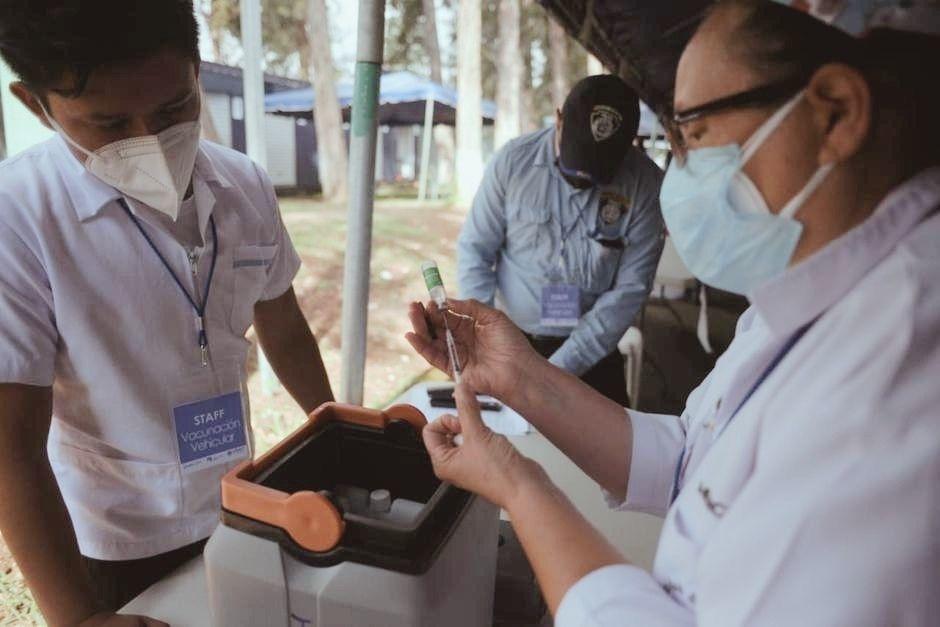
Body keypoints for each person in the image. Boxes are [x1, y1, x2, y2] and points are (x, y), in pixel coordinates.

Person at [407, 0, 940, 624]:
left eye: (691, 133)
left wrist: (521, 488)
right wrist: (516, 374)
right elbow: (691, 453)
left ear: (835, 113)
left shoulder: (899, 367)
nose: (678, 167)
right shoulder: (802, 298)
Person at [0, 2, 334, 624]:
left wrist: (333, 422)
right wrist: (77, 618)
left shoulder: (245, 186)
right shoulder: (18, 219)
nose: (150, 141)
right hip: (116, 536)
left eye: (175, 108)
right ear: (34, 105)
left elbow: (282, 324)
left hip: (241, 500)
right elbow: (10, 443)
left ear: (197, 69)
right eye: (109, 123)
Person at [457, 75, 664, 406]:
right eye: (577, 158)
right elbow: (475, 251)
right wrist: (484, 338)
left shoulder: (646, 186)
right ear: (558, 119)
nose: (582, 178)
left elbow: (630, 290)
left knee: (603, 454)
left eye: (598, 168)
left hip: (590, 354)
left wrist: (555, 372)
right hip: (512, 343)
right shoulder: (513, 163)